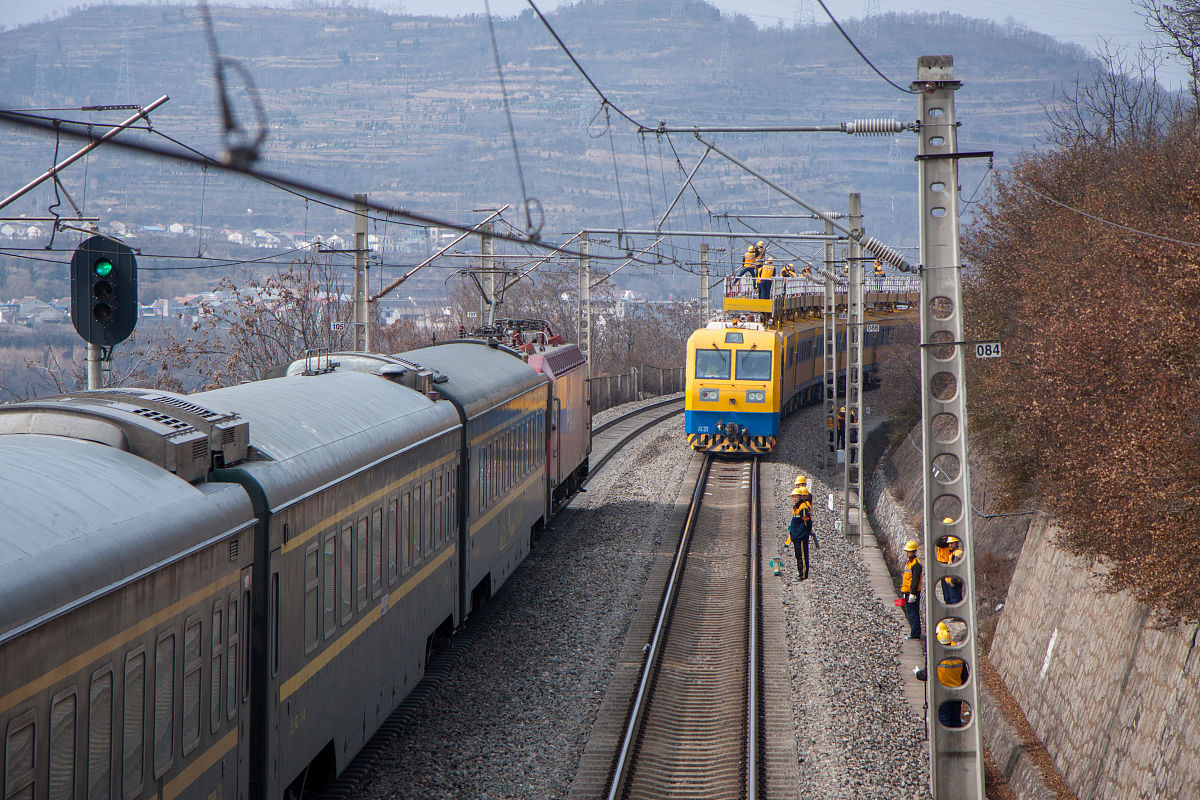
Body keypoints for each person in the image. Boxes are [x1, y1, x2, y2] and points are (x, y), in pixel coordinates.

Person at [789, 487, 818, 580]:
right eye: (793, 497)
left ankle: (803, 575)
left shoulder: (803, 508)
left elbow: (807, 522)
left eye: (796, 497)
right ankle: (800, 572)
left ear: (801, 497)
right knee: (798, 555)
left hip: (801, 535)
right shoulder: (796, 507)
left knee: (802, 555)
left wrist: (806, 532)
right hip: (797, 535)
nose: (794, 499)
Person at [900, 539, 923, 639]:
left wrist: (913, 594)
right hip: (907, 591)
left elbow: (915, 580)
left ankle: (915, 634)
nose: (907, 553)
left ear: (914, 552)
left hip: (912, 593)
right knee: (911, 613)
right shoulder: (910, 562)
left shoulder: (916, 564)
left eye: (909, 552)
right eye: (906, 551)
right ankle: (914, 632)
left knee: (913, 614)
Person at [936, 529, 964, 605]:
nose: (950, 545)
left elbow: (955, 568)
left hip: (954, 582)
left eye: (952, 543)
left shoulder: (957, 553)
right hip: (950, 581)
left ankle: (956, 616)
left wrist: (953, 580)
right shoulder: (953, 553)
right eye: (949, 544)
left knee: (955, 601)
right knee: (951, 599)